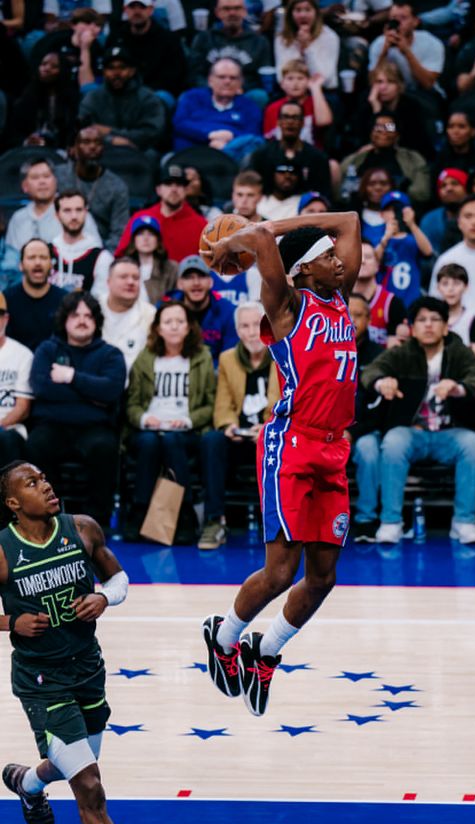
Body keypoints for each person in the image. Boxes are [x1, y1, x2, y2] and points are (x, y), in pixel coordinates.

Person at [200, 209, 361, 715]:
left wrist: (278, 225)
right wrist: (259, 233)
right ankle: (224, 637)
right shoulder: (287, 306)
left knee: (323, 577)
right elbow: (261, 241)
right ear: (304, 269)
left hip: (334, 449)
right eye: (327, 257)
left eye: (335, 256)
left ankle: (265, 651)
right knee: (280, 572)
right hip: (291, 445)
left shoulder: (340, 298)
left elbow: (349, 221)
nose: (339, 261)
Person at [0, 461, 137, 824]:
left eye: (44, 478)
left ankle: (28, 782)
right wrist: (10, 622)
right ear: (13, 503)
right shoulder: (3, 551)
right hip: (42, 682)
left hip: (88, 669)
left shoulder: (81, 528)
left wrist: (105, 598)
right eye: (32, 483)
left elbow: (119, 578)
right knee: (90, 786)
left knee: (72, 763)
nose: (45, 486)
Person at [357, 297, 475, 544]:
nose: (428, 325)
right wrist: (382, 383)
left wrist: (458, 388)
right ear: (412, 328)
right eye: (422, 320)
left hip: (449, 433)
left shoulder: (458, 352)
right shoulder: (402, 353)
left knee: (474, 444)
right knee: (393, 441)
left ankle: (464, 521)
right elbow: (370, 373)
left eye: (435, 319)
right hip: (412, 433)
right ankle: (391, 521)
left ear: (446, 327)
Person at [26, 291, 126, 529]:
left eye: (88, 316)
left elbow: (111, 391)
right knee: (36, 445)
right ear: (65, 320)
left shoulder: (111, 354)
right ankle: (49, 521)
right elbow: (42, 388)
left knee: (105, 448)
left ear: (96, 321)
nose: (82, 320)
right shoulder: (47, 349)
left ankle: (96, 524)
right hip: (52, 426)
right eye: (75, 315)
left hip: (95, 428)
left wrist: (70, 376)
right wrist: (92, 394)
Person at [124, 301, 218, 545]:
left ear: (188, 327)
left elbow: (210, 404)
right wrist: (145, 419)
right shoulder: (145, 358)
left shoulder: (202, 357)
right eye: (168, 322)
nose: (174, 326)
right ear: (158, 328)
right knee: (149, 442)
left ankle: (185, 513)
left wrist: (187, 420)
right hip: (150, 429)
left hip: (186, 430)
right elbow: (132, 404)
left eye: (180, 321)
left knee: (172, 441)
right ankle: (139, 510)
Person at [207, 300, 280, 548]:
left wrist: (267, 427)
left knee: (280, 443)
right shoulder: (227, 359)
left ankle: (273, 522)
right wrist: (228, 425)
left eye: (257, 325)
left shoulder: (282, 354)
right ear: (237, 331)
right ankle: (215, 520)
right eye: (245, 326)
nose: (251, 332)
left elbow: (288, 403)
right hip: (239, 438)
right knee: (212, 441)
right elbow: (223, 404)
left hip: (271, 437)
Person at [5, 159, 100, 261]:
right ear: (25, 186)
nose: (42, 182)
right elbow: (10, 259)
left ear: (56, 181)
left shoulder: (76, 212)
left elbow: (96, 254)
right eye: (35, 177)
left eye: (47, 176)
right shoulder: (18, 218)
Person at [55, 125, 130, 252]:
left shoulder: (117, 186)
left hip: (101, 251)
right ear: (74, 148)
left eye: (98, 143)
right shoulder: (57, 176)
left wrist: (102, 258)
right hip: (61, 247)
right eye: (86, 142)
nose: (92, 147)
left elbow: (119, 233)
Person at [78, 45, 167, 151]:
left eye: (122, 67)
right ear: (104, 72)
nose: (117, 73)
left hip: (139, 151)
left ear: (132, 71)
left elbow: (151, 134)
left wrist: (110, 132)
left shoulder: (148, 98)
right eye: (111, 68)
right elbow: (82, 130)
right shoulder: (93, 98)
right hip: (101, 150)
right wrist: (111, 140)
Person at [172, 58, 263, 160]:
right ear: (210, 80)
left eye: (233, 78)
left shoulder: (249, 106)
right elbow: (179, 123)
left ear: (241, 82)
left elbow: (253, 137)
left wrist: (229, 139)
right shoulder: (192, 97)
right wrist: (210, 134)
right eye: (221, 77)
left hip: (232, 159)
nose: (227, 82)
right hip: (191, 156)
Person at [115, 165, 207, 263]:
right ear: (158, 190)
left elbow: (212, 263)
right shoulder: (140, 218)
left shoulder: (201, 224)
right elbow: (120, 257)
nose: (174, 189)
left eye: (179, 184)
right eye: (168, 184)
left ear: (185, 190)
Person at [339, 113, 430, 206]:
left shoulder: (413, 159)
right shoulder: (354, 160)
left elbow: (422, 193)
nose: (383, 132)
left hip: (400, 209)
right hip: (360, 209)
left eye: (389, 127)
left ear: (397, 134)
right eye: (378, 127)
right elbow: (342, 194)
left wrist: (394, 195)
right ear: (371, 133)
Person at [249, 100, 332, 199]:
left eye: (295, 118)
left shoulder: (317, 158)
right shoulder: (261, 156)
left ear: (303, 123)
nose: (290, 122)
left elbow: (322, 195)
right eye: (286, 117)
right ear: (278, 122)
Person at [189, 0, 272, 99]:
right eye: (226, 9)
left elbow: (263, 74)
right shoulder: (204, 38)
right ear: (217, 13)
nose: (232, 13)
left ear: (245, 11)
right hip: (209, 92)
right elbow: (195, 73)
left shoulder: (259, 41)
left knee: (259, 96)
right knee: (189, 96)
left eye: (237, 8)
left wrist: (236, 88)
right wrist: (214, 88)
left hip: (244, 94)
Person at [107, 0, 187, 102]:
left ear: (150, 10)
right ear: (125, 10)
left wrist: (142, 94)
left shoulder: (168, 40)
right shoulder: (116, 38)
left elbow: (174, 76)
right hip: (121, 91)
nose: (137, 11)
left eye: (142, 7)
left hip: (156, 94)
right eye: (132, 7)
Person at [164, 256, 238, 365]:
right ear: (179, 284)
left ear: (211, 282)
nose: (196, 283)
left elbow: (230, 357)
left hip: (215, 371)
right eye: (189, 277)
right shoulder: (165, 310)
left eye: (202, 276)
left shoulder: (228, 311)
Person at [356, 60, 435, 159]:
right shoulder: (367, 105)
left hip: (408, 157)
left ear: (399, 85)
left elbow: (400, 140)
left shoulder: (410, 107)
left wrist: (378, 113)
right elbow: (360, 139)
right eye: (379, 82)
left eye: (390, 82)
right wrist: (376, 109)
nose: (383, 87)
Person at [368, 0, 445, 99]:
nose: (398, 23)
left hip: (423, 94)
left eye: (403, 18)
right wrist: (384, 52)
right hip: (392, 93)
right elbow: (372, 82)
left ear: (415, 21)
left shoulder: (432, 43)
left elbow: (427, 84)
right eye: (394, 18)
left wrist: (407, 52)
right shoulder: (379, 43)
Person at [5, 239, 67, 352]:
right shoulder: (6, 300)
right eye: (31, 257)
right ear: (21, 265)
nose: (38, 262)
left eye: (43, 257)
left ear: (51, 265)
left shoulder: (65, 301)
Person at [374, 190, 433, 307]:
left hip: (411, 300)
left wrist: (412, 224)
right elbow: (374, 261)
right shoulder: (378, 239)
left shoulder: (413, 239)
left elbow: (428, 252)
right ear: (381, 214)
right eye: (389, 210)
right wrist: (386, 237)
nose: (394, 214)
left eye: (398, 209)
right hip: (385, 302)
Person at [50, 190, 114, 297]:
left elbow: (101, 299)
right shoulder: (46, 252)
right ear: (57, 215)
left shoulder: (101, 257)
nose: (74, 216)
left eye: (79, 210)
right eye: (67, 210)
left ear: (86, 213)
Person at [11, 51, 79, 149]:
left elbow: (73, 130)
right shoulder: (27, 98)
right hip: (29, 149)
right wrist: (26, 141)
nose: (46, 69)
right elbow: (14, 132)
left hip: (61, 149)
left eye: (54, 66)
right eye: (43, 64)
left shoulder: (72, 99)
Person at [100, 258, 156, 373]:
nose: (131, 282)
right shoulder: (92, 309)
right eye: (123, 277)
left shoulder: (151, 315)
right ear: (108, 282)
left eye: (136, 278)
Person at [263, 59, 332, 149]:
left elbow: (324, 122)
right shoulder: (273, 108)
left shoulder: (316, 102)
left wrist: (315, 88)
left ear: (308, 81)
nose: (295, 84)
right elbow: (269, 138)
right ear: (282, 84)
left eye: (300, 78)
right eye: (290, 78)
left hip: (311, 152)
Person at [275, 0, 340, 90]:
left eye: (308, 10)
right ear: (290, 14)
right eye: (298, 10)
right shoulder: (282, 38)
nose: (303, 15)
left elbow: (325, 80)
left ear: (316, 13)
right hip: (292, 91)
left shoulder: (329, 37)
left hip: (323, 91)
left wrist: (307, 48)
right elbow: (281, 76)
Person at [353, 239, 407, 348]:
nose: (362, 261)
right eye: (358, 256)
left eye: (368, 257)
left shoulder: (392, 303)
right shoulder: (338, 299)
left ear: (377, 265)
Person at [0, 294, 33, 465]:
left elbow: (23, 408)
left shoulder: (22, 355)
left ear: (6, 319)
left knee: (4, 439)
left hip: (9, 429)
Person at [123, 216, 179, 305]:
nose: (146, 238)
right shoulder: (123, 267)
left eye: (151, 234)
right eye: (140, 233)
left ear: (158, 240)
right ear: (134, 240)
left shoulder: (171, 268)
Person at [433, 263, 475, 359]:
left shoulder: (472, 319)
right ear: (438, 287)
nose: (450, 289)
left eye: (456, 283)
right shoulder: (431, 318)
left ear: (466, 287)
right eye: (445, 284)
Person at [419, 168, 469, 255]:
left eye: (455, 183)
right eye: (443, 186)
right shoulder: (430, 220)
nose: (448, 188)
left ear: (467, 189)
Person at [355, 166, 393, 246]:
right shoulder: (354, 214)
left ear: (391, 187)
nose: (378, 188)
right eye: (371, 184)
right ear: (363, 187)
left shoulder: (399, 215)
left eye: (383, 184)